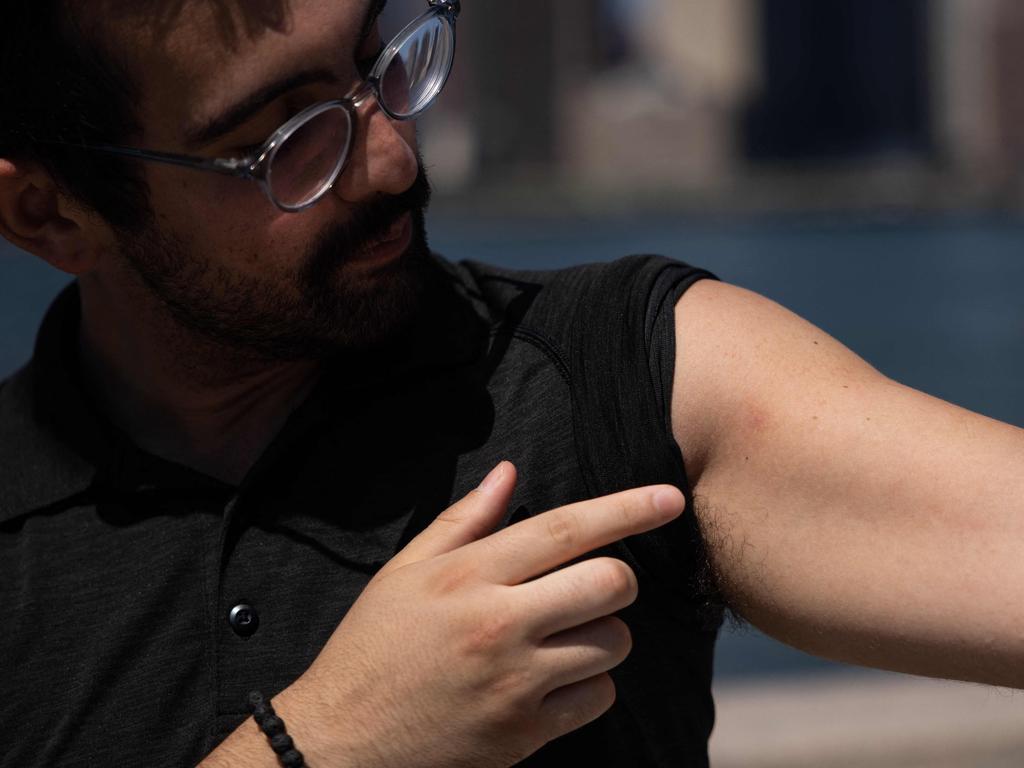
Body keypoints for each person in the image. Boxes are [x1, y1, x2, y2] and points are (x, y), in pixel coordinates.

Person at [1, 2, 1022, 767]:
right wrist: (335, 740)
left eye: (375, 65)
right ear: (50, 217)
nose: (393, 158)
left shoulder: (620, 373)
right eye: (283, 141)